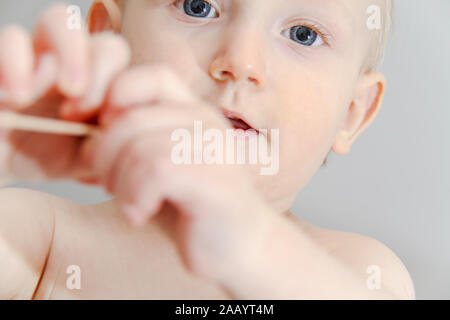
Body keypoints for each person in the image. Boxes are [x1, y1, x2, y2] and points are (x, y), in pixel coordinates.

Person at [0, 0, 415, 299]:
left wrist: (248, 241)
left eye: (303, 35)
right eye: (198, 7)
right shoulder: (39, 242)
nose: (240, 61)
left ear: (351, 114)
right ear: (108, 39)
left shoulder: (360, 272)